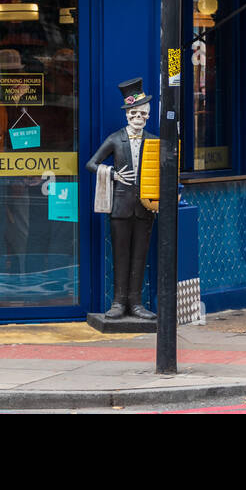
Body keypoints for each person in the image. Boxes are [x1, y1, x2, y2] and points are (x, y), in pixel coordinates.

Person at [86, 78, 157, 320]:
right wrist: (113, 174)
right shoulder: (116, 138)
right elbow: (91, 163)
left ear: (148, 115)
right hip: (121, 207)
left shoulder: (153, 140)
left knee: (140, 255)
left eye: (143, 114)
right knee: (120, 254)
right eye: (134, 114)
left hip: (145, 207)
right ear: (127, 114)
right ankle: (118, 302)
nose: (139, 119)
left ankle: (136, 303)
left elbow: (162, 171)